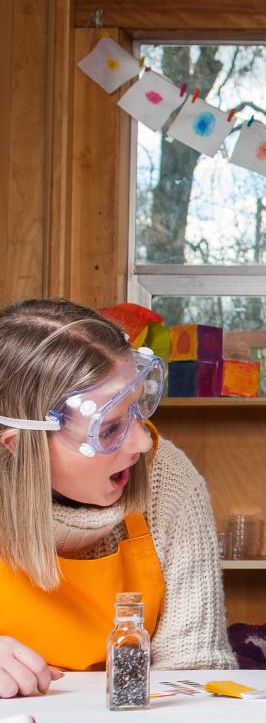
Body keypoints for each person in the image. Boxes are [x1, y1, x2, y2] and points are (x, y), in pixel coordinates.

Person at [0, 299, 234, 698]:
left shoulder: (167, 478)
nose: (143, 443)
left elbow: (193, 670)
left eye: (138, 408)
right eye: (109, 429)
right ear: (18, 444)